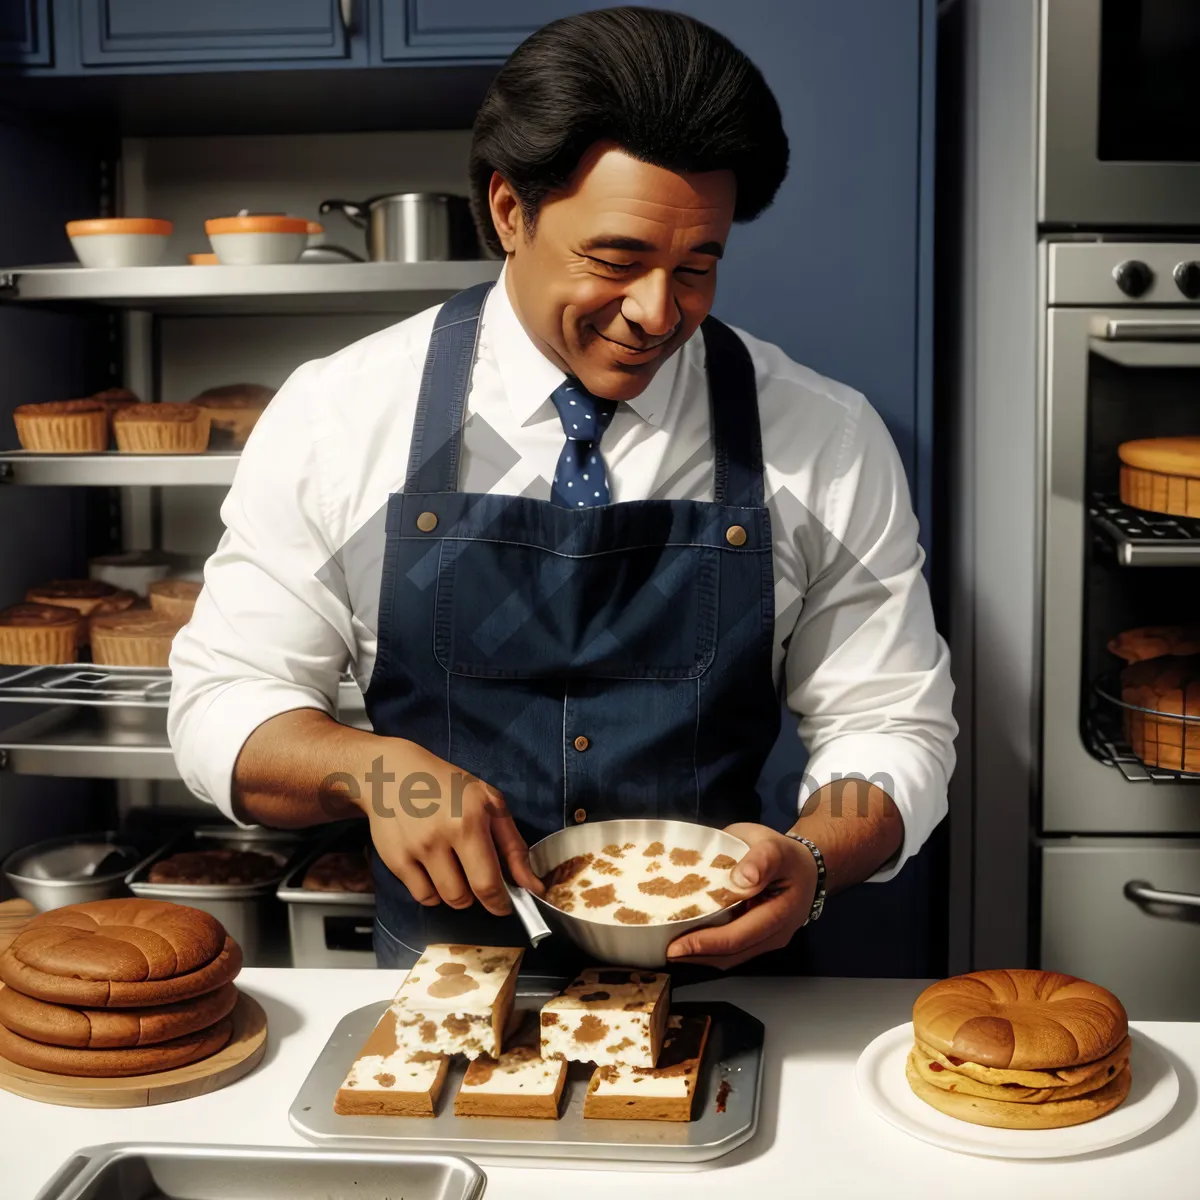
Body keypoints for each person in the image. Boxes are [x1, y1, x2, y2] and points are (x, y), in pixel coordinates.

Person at [168, 7, 956, 973]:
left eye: (697, 266)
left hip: (722, 995)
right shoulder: (341, 414)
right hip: (445, 992)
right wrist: (382, 775)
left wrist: (815, 857)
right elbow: (221, 704)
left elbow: (888, 725)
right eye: (616, 260)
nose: (658, 313)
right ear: (510, 210)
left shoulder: (824, 436)